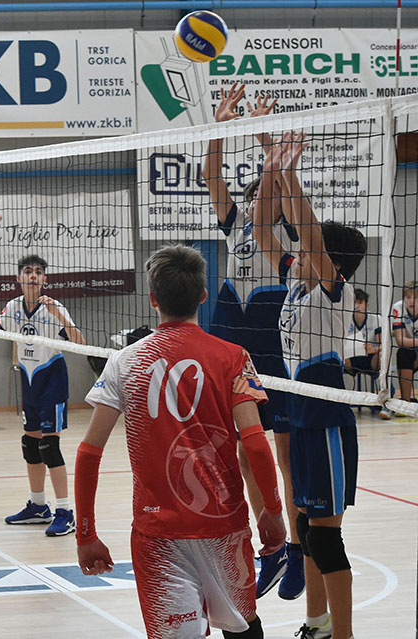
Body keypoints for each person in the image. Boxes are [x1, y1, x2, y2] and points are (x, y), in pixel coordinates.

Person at [76, 244, 286, 639]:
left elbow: (89, 453)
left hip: (159, 532)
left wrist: (86, 533)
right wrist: (272, 512)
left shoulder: (124, 361)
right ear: (204, 296)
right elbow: (256, 444)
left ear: (153, 299)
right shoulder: (234, 357)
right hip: (223, 527)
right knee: (243, 627)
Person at [253, 134, 367, 639]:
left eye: (305, 249)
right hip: (300, 417)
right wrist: (270, 167)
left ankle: (341, 634)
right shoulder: (297, 285)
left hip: (326, 424)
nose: (295, 251)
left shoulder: (333, 293)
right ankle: (316, 624)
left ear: (329, 265)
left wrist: (291, 174)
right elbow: (263, 230)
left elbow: (311, 238)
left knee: (325, 540)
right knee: (305, 529)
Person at [203, 82, 305, 601]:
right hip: (233, 347)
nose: (257, 201)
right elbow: (211, 178)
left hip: (273, 345)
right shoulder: (236, 228)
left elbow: (280, 183)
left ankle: (299, 550)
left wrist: (267, 140)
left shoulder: (289, 232)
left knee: (284, 457)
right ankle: (274, 547)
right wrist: (219, 130)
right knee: (246, 452)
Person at [0, 255, 85, 537]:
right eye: (28, 271)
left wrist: (59, 316)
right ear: (19, 278)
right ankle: (38, 506)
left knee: (49, 447)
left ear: (44, 280)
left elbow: (80, 342)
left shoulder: (54, 307)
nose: (33, 276)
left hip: (52, 378)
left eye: (38, 272)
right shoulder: (13, 306)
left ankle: (65, 512)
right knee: (30, 444)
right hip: (28, 380)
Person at [343, 288, 381, 378]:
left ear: (367, 305)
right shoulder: (344, 319)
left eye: (360, 303)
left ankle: (385, 384)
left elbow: (382, 344)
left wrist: (374, 349)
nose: (356, 306)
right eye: (354, 303)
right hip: (351, 358)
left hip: (370, 357)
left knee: (381, 353)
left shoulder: (376, 319)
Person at [391, 281, 418, 405]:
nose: (412, 301)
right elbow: (401, 341)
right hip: (411, 351)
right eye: (408, 297)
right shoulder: (398, 308)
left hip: (413, 346)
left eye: (416, 297)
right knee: (403, 353)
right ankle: (405, 402)